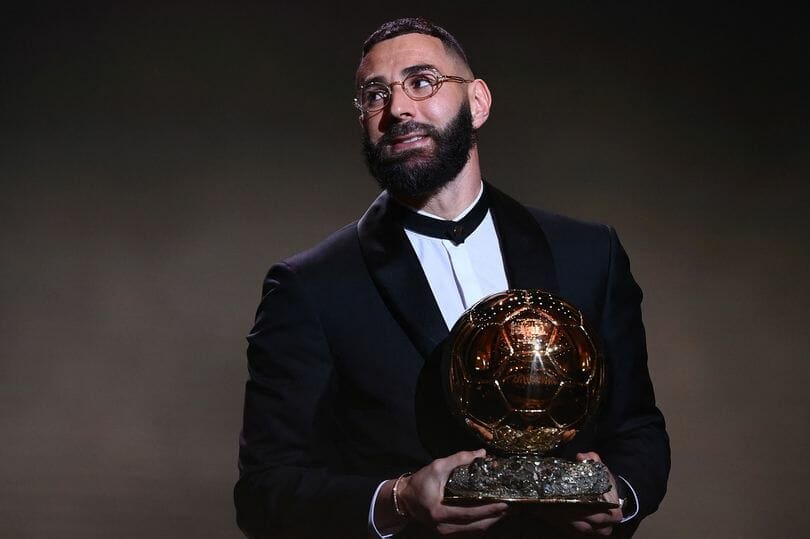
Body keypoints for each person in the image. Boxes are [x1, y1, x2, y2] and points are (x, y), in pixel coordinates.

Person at [234, 17, 669, 538]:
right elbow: (264, 492)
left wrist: (622, 496)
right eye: (375, 95)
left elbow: (638, 429)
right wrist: (397, 499)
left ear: (477, 102)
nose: (398, 108)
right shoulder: (310, 287)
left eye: (422, 82)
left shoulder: (590, 253)